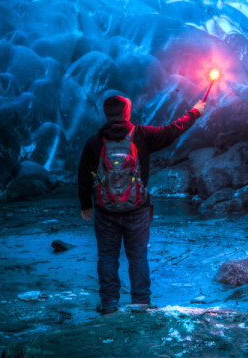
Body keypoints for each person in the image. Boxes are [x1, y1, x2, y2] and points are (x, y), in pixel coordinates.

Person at [78, 94, 205, 314]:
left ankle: (108, 304)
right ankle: (140, 303)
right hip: (137, 209)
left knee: (107, 257)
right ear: (127, 113)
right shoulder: (142, 135)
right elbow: (172, 130)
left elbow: (84, 175)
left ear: (107, 115)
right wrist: (195, 112)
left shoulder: (94, 142)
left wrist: (85, 205)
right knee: (137, 256)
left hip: (106, 211)